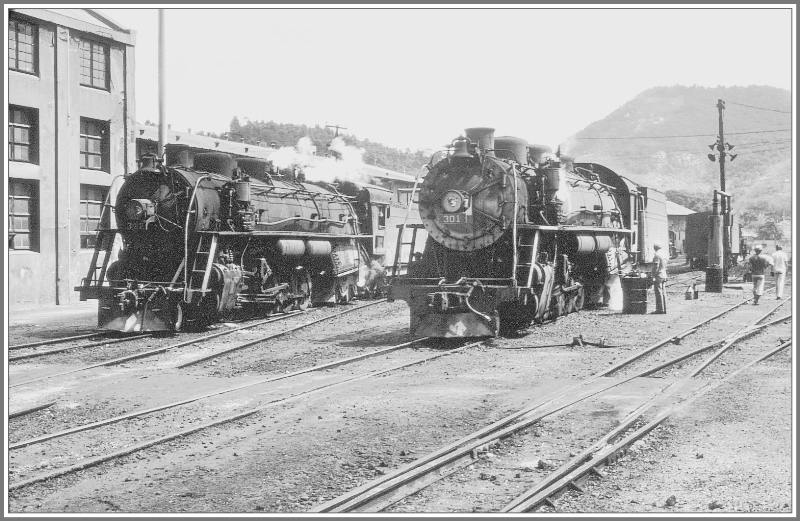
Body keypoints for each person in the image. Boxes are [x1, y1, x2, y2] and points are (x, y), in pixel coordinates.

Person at [651, 240, 669, 314]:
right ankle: (665, 309)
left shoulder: (657, 255)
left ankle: (660, 309)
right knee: (663, 292)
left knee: (658, 292)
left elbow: (656, 266)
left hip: (659, 275)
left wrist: (653, 275)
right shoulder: (665, 254)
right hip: (664, 273)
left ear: (655, 247)